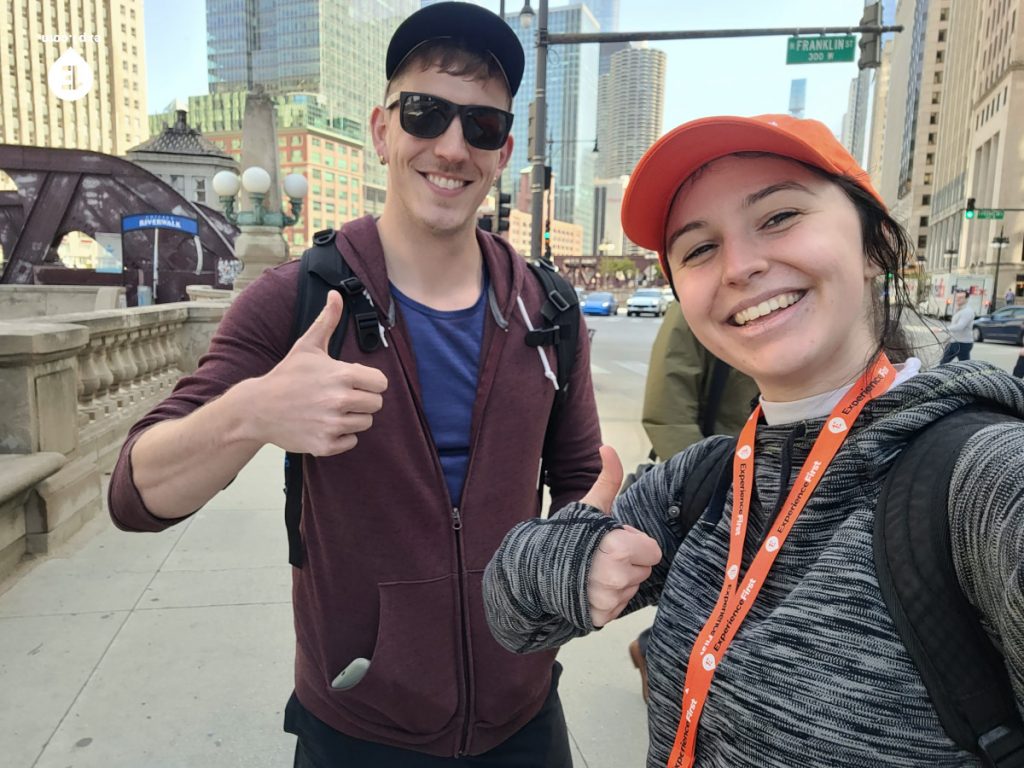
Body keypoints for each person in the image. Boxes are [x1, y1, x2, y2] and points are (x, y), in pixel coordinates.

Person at [106, 4, 602, 766]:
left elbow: (576, 479)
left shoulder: (550, 307)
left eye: (481, 126)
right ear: (381, 131)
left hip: (523, 714)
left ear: (503, 152)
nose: (451, 145)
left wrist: (577, 563)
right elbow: (134, 494)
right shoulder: (298, 297)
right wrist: (253, 412)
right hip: (357, 722)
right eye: (425, 114)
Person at [483, 114, 1024, 768]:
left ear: (876, 243)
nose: (740, 265)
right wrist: (566, 560)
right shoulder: (705, 481)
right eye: (700, 248)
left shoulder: (981, 485)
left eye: (779, 217)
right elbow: (511, 619)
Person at [627, 306, 759, 700]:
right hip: (726, 486)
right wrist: (710, 491)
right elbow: (668, 411)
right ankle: (656, 649)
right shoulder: (694, 310)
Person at [939, 290, 976, 363]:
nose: (958, 299)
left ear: (966, 299)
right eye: (957, 297)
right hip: (954, 342)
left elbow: (960, 326)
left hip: (963, 344)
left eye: (961, 297)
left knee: (965, 366)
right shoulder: (959, 310)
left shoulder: (967, 311)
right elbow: (955, 325)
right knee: (943, 364)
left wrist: (942, 329)